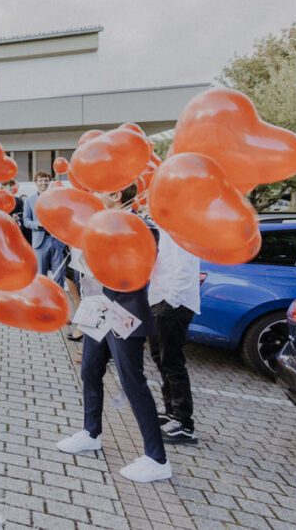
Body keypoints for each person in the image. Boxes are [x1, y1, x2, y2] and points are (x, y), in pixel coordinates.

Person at [57, 184, 171, 483]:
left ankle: (157, 458)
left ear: (116, 193)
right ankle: (90, 431)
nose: (92, 194)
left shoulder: (142, 227)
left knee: (133, 382)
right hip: (97, 307)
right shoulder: (94, 224)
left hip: (124, 312)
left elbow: (137, 269)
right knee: (89, 371)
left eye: (99, 188)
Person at [148, 229, 201, 445]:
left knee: (172, 361)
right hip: (159, 298)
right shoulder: (163, 227)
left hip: (173, 303)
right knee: (159, 357)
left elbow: (184, 269)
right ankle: (171, 410)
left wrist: (170, 301)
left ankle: (184, 423)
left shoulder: (182, 229)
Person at [23, 171, 66, 285]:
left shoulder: (57, 198)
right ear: (36, 182)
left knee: (59, 275)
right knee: (41, 275)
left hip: (56, 241)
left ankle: (59, 300)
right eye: (41, 180)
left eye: (46, 180)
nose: (43, 183)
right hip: (40, 242)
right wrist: (37, 225)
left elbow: (64, 218)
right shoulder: (29, 200)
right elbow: (26, 221)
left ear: (49, 182)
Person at [5, 179, 31, 245]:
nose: (13, 187)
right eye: (11, 185)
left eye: (15, 186)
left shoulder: (19, 201)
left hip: (16, 233)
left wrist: (18, 219)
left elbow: (23, 216)